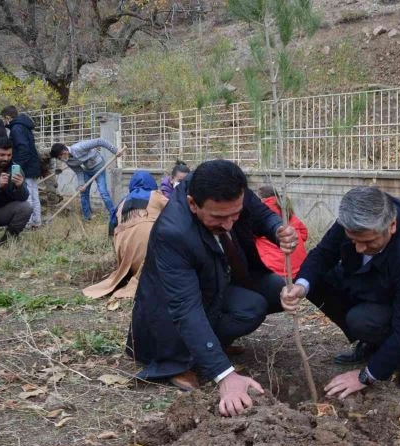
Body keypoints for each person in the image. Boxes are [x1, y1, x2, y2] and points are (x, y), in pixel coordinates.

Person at [126, 159, 299, 417]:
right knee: (249, 309)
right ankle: (184, 360)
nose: (229, 224)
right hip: (170, 316)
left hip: (217, 281)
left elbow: (261, 214)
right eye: (218, 217)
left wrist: (277, 229)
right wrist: (225, 375)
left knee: (275, 292)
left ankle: (212, 343)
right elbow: (185, 309)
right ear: (193, 204)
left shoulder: (231, 190)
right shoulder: (173, 233)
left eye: (235, 214)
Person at [280, 186, 400, 399]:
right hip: (375, 282)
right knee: (314, 281)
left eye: (368, 242)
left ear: (391, 226)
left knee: (363, 320)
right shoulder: (356, 217)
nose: (359, 249)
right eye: (354, 240)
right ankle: (375, 342)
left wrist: (367, 375)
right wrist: (300, 286)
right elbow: (323, 254)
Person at [84, 171, 168, 300]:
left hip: (124, 257)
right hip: (148, 253)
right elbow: (177, 210)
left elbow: (111, 229)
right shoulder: (155, 195)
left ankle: (129, 273)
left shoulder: (122, 203)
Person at [49, 139, 120, 221]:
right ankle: (87, 218)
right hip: (87, 170)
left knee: (103, 192)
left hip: (99, 166)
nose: (61, 158)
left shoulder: (79, 147)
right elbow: (79, 172)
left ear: (64, 150)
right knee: (83, 192)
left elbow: (99, 141)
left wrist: (115, 150)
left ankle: (114, 216)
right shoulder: (68, 161)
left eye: (60, 155)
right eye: (59, 158)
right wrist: (81, 184)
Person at [1, 106, 42, 228]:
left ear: (8, 117)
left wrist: (16, 167)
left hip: (25, 167)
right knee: (34, 194)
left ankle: (27, 223)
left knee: (27, 194)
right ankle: (36, 220)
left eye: (4, 118)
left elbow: (23, 149)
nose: (4, 121)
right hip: (32, 165)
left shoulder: (16, 128)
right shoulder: (24, 126)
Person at [255, 185, 309, 277]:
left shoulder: (258, 216)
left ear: (261, 199)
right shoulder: (289, 213)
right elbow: (304, 234)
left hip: (275, 272)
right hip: (301, 269)